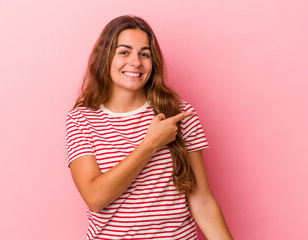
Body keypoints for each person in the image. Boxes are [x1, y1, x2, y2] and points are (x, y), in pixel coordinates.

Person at [65, 15, 233, 240]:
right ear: (105, 57)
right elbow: (95, 197)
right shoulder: (82, 120)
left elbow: (201, 199)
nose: (135, 62)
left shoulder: (180, 114)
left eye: (144, 54)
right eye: (124, 52)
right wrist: (150, 144)